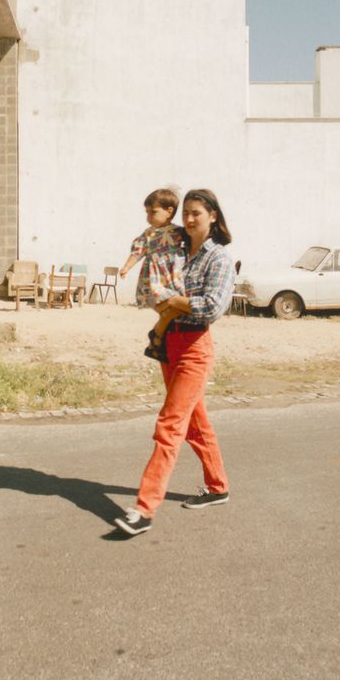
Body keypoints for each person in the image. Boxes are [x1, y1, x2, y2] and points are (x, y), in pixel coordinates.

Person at [113, 189, 236, 537]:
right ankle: (218, 487)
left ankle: (143, 509)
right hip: (170, 342)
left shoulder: (219, 259)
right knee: (195, 423)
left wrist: (172, 299)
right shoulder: (180, 251)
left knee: (169, 425)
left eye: (197, 212)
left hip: (196, 346)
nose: (190, 218)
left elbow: (212, 307)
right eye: (187, 213)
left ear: (213, 216)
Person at [118, 188, 187, 362]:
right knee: (170, 310)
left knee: (175, 311)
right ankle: (157, 338)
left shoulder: (180, 232)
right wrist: (127, 267)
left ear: (169, 211)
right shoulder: (148, 234)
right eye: (147, 212)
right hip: (154, 280)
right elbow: (137, 252)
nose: (149, 216)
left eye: (153, 211)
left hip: (172, 278)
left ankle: (156, 340)